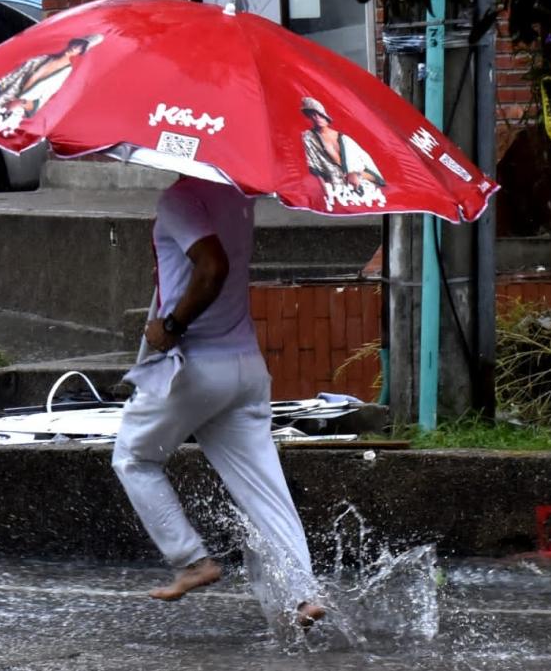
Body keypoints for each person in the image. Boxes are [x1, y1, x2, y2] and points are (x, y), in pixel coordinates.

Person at [112, 175, 325, 628]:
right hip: (246, 368)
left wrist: (170, 325)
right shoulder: (240, 197)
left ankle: (191, 560)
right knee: (265, 490)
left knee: (134, 457)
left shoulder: (180, 198)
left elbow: (212, 267)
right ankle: (302, 594)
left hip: (195, 369)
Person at [300, 97, 387, 211]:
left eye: (319, 114)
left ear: (325, 116)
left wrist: (356, 174)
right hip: (335, 186)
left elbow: (372, 172)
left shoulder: (346, 140)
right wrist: (325, 189)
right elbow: (314, 166)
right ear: (309, 116)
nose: (317, 118)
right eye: (313, 115)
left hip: (361, 184)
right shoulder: (309, 137)